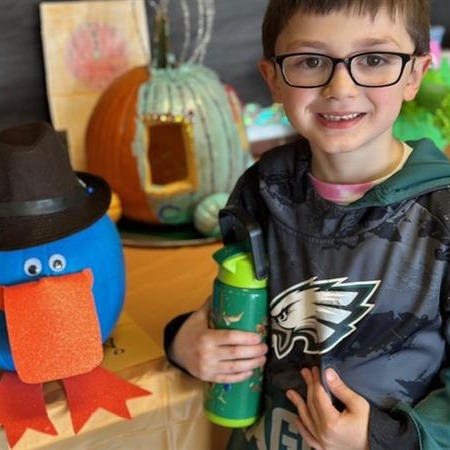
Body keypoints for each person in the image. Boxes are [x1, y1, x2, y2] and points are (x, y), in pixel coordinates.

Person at [164, 1, 450, 449]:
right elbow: (237, 307)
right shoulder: (260, 189)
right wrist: (184, 342)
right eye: (311, 61)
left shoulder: (442, 212)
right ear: (274, 78)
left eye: (374, 60)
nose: (340, 87)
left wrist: (381, 439)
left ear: (414, 75)